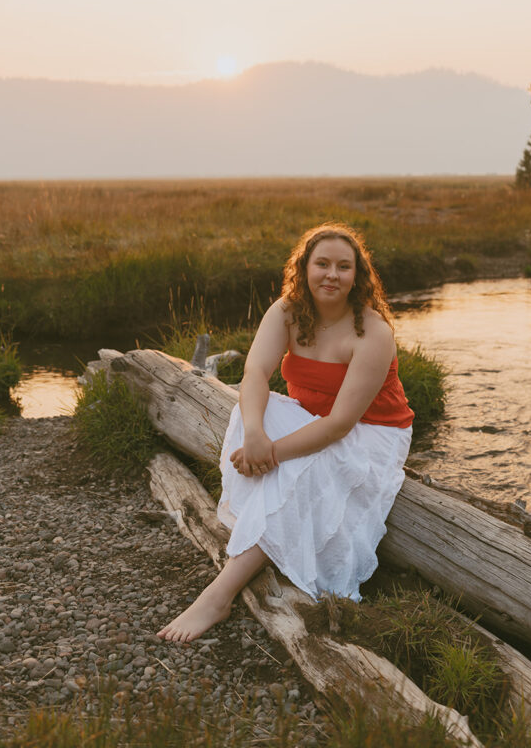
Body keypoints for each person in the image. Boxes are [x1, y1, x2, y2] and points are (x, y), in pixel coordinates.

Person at [157, 222, 414, 644]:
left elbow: (340, 425)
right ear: (305, 267)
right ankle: (265, 531)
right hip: (310, 418)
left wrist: (271, 452)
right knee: (250, 413)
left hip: (371, 433)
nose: (332, 275)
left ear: (358, 276)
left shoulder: (374, 331)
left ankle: (219, 595)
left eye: (344, 267)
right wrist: (257, 435)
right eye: (323, 264)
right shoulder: (288, 311)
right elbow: (256, 372)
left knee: (305, 473)